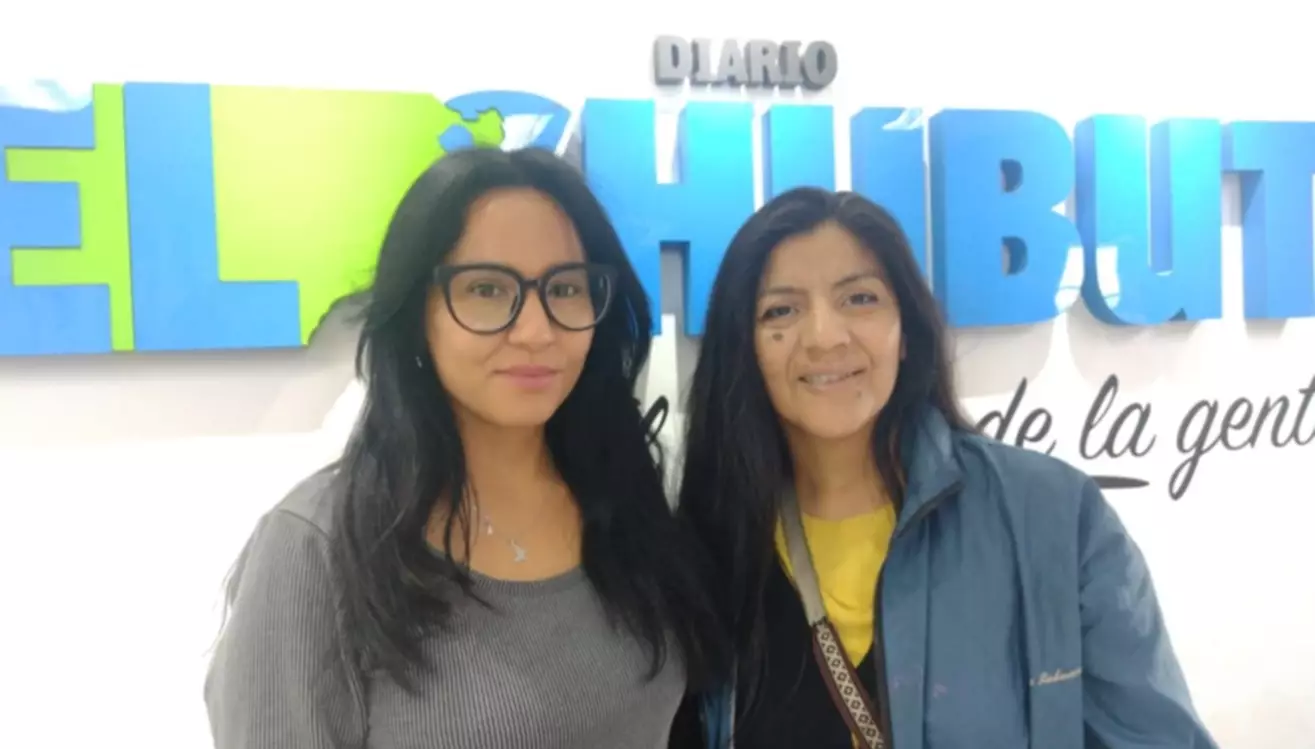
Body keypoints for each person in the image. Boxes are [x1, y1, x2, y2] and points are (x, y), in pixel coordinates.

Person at [205, 147, 727, 749]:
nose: (536, 331)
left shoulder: (620, 497)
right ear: (416, 315)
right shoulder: (318, 547)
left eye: (565, 288)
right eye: (486, 288)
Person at [675, 187, 1218, 748]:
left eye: (859, 298)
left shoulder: (1053, 517)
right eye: (781, 310)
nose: (825, 337)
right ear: (745, 348)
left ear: (906, 333)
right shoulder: (709, 545)